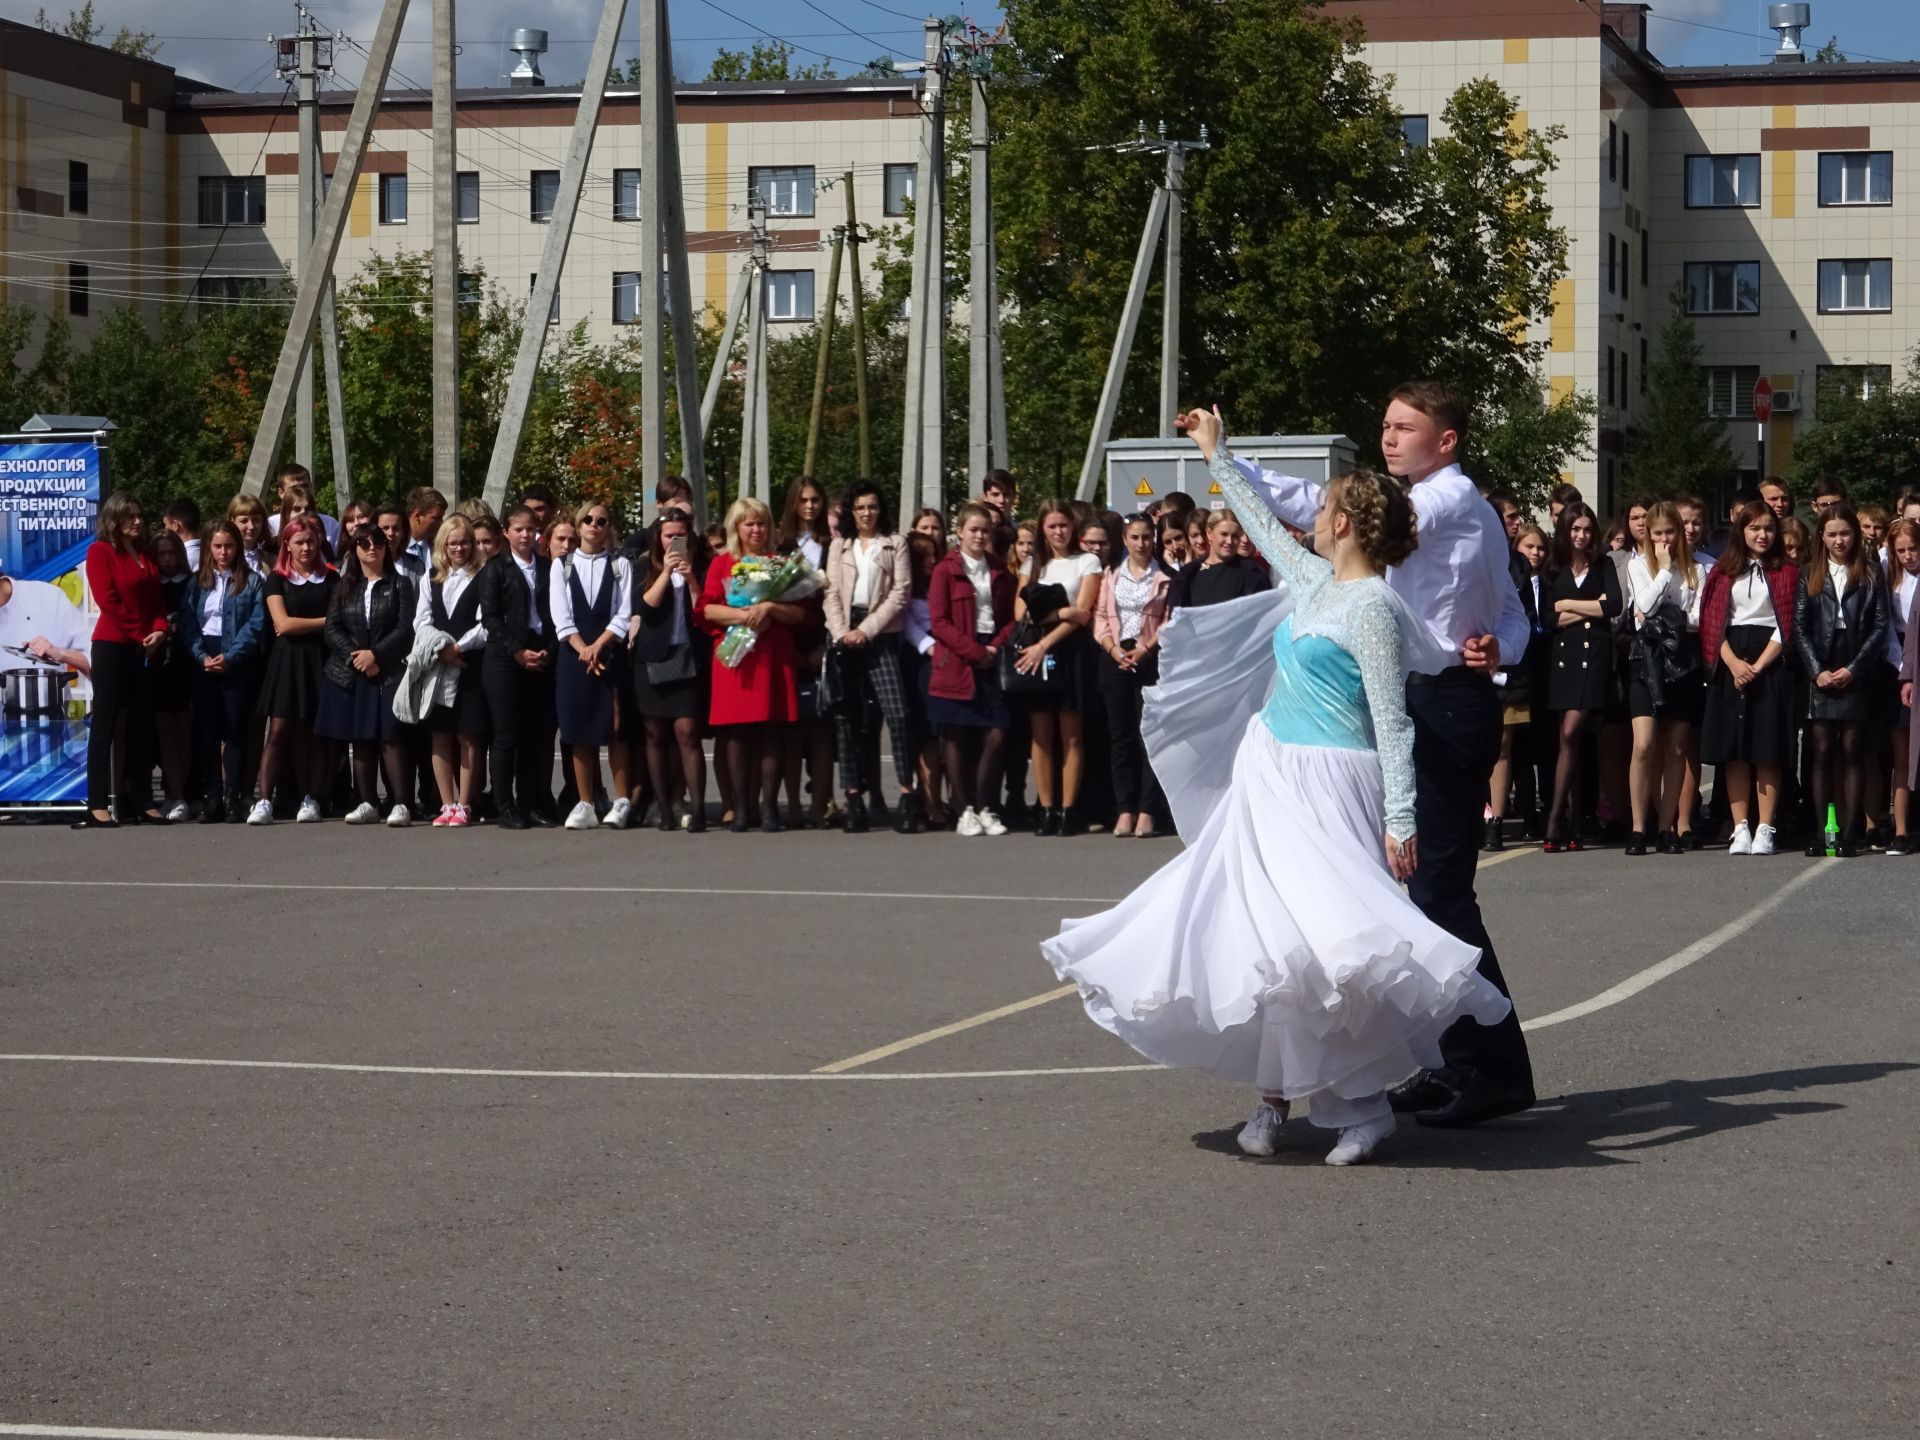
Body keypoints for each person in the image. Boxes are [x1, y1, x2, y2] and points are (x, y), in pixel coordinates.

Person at [1046, 423, 1512, 1166]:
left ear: (1346, 523)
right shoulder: (1314, 581)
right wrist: (1214, 455)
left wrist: (1400, 820)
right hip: (1270, 778)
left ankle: (1360, 1107)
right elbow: (1262, 520)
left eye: (1324, 510)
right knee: (1259, 941)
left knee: (1322, 951)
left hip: (1333, 784)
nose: (1313, 519)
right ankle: (1269, 1101)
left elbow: (1392, 723)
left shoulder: (1374, 609)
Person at [1196, 385, 1533, 1129]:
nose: (1388, 436)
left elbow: (1359, 515)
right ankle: (1449, 1062)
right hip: (1430, 693)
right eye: (1384, 423)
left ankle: (1495, 1070)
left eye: (1404, 427)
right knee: (1403, 900)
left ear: (1445, 442)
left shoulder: (1446, 501)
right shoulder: (1462, 515)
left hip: (1443, 706)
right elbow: (1511, 609)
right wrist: (1499, 645)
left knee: (1438, 895)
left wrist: (1237, 465)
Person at [700, 498, 809, 833]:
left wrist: (771, 608)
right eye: (749, 523)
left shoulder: (781, 564)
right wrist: (744, 614)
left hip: (772, 658)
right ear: (737, 528)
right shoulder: (722, 565)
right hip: (735, 658)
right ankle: (741, 808)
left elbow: (802, 614)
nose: (756, 529)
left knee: (771, 732)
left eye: (761, 523)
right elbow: (706, 610)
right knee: (736, 733)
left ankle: (769, 809)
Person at [1699, 502, 1797, 856]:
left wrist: (1758, 664)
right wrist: (1734, 664)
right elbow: (1713, 623)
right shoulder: (1724, 571)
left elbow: (1788, 623)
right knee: (1736, 750)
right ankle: (1740, 826)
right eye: (1754, 527)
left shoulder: (1788, 571)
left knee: (1766, 748)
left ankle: (1766, 827)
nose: (1762, 534)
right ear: (1740, 530)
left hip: (1770, 661)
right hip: (1732, 661)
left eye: (1769, 528)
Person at [1794, 503, 1888, 856]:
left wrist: (1855, 669)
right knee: (1820, 751)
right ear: (1821, 536)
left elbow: (1879, 626)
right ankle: (1821, 833)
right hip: (1821, 665)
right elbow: (1800, 627)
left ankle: (1850, 834)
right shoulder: (1809, 573)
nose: (1839, 541)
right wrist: (1816, 670)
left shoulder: (1870, 572)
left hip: (1855, 665)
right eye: (1831, 534)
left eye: (1845, 533)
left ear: (1856, 534)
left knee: (1852, 750)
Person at [824, 481, 918, 834]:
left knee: (898, 714)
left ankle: (907, 795)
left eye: (873, 507)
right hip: (845, 636)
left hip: (880, 635)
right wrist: (841, 632)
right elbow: (831, 592)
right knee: (846, 718)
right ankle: (853, 799)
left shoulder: (895, 544)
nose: (867, 513)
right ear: (851, 511)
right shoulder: (839, 546)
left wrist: (868, 629)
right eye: (860, 507)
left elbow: (901, 592)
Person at [75, 492, 169, 828]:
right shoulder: (100, 551)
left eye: (140, 515)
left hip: (144, 648)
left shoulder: (144, 554)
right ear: (114, 520)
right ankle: (98, 803)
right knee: (105, 724)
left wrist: (159, 631)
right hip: (113, 645)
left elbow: (157, 602)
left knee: (142, 724)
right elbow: (108, 601)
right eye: (130, 516)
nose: (138, 521)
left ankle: (143, 799)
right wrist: (141, 635)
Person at [316, 523, 417, 827]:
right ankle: (367, 802)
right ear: (355, 548)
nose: (371, 548)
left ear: (387, 549)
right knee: (360, 737)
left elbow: (405, 627)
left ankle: (401, 803)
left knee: (390, 736)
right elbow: (332, 628)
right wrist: (357, 657)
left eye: (378, 543)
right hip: (353, 670)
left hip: (388, 670)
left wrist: (377, 655)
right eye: (364, 543)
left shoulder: (399, 585)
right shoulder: (344, 586)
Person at [1012, 498, 1102, 836]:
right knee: (1041, 735)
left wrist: (1045, 640)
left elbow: (1085, 613)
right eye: (1052, 526)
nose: (1059, 531)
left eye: (1063, 525)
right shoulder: (1033, 565)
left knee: (1072, 735)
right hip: (1035, 653)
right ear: (1043, 529)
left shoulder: (1088, 561)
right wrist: (1062, 612)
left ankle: (1068, 810)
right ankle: (1046, 808)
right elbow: (1020, 614)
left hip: (1070, 652)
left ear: (1073, 526)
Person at [928, 502, 1016, 837]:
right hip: (957, 658)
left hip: (991, 652)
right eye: (973, 530)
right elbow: (939, 621)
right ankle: (963, 809)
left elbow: (1010, 618)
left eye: (984, 530)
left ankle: (984, 806)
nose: (979, 536)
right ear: (960, 532)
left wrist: (994, 646)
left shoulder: (997, 568)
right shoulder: (945, 570)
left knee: (996, 733)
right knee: (957, 736)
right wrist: (974, 651)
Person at [1541, 503, 1623, 851]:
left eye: (1588, 529)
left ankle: (1555, 821)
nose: (1581, 535)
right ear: (1565, 530)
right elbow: (1547, 619)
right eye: (1575, 528)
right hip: (1563, 660)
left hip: (1595, 657)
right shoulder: (1553, 568)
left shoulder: (1603, 564)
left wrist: (1567, 605)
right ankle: (1574, 824)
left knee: (1571, 732)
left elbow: (1614, 606)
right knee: (1570, 741)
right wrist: (1587, 604)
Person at [1625, 501, 1706, 855]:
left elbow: (1697, 618)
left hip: (1683, 660)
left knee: (1675, 747)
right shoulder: (1636, 564)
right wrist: (1663, 571)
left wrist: (1662, 616)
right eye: (1656, 534)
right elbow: (1642, 603)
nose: (1663, 540)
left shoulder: (1697, 568)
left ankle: (1666, 827)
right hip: (1647, 659)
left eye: (1669, 532)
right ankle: (1638, 826)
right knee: (1643, 744)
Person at [249, 514, 337, 825]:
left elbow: (335, 624)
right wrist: (323, 623)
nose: (306, 547)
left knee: (311, 734)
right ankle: (263, 800)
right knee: (278, 731)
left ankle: (310, 797)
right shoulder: (277, 579)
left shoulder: (331, 578)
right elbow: (283, 623)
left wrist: (314, 626)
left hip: (319, 661)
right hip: (287, 662)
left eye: (311, 541)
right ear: (287, 544)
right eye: (299, 542)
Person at [551, 501, 635, 831]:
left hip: (610, 655)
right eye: (588, 519)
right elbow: (561, 615)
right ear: (578, 524)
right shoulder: (562, 566)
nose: (594, 525)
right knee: (578, 730)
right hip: (575, 658)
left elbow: (624, 613)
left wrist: (599, 645)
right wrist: (582, 648)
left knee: (615, 730)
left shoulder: (620, 565)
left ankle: (622, 799)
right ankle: (585, 802)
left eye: (601, 521)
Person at [176, 519, 264, 824]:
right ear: (209, 549)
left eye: (228, 545)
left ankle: (233, 797)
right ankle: (212, 796)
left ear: (237, 547)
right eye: (217, 546)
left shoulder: (252, 582)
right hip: (204, 657)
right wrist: (201, 656)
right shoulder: (196, 582)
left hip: (234, 658)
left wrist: (232, 656)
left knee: (235, 730)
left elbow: (256, 625)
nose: (223, 552)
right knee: (206, 731)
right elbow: (187, 623)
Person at [630, 507, 711, 832]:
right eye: (668, 536)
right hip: (652, 658)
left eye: (681, 536)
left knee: (688, 732)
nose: (675, 541)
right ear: (658, 539)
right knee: (655, 734)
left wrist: (690, 577)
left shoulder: (701, 566)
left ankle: (699, 808)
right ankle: (663, 809)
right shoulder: (643, 566)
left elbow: (704, 611)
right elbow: (644, 609)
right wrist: (666, 573)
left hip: (688, 656)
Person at [478, 505, 557, 829]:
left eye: (530, 529)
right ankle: (504, 804)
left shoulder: (549, 567)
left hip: (539, 654)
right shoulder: (495, 569)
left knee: (534, 735)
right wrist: (517, 651)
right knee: (506, 734)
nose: (526, 535)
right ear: (505, 533)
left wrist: (548, 649)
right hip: (505, 659)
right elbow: (491, 618)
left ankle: (531, 802)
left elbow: (555, 615)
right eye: (519, 529)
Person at [1094, 513, 1170, 839]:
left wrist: (1146, 648)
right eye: (1135, 538)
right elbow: (1100, 616)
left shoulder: (1165, 576)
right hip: (1116, 658)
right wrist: (1113, 649)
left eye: (1147, 538)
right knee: (1120, 736)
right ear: (1125, 540)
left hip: (1150, 658)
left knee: (1148, 737)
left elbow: (1171, 619)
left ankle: (1147, 809)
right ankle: (1124, 808)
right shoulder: (1112, 576)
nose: (1142, 544)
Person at [417, 515, 491, 826]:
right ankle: (446, 804)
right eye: (452, 542)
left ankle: (464, 804)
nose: (458, 548)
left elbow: (486, 623)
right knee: (440, 735)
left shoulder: (484, 575)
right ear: (443, 545)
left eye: (464, 542)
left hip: (471, 664)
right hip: (438, 666)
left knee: (468, 736)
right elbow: (421, 621)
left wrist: (458, 648)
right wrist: (441, 650)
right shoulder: (430, 577)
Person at [1487, 522, 1550, 850]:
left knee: (1502, 746)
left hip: (1507, 668)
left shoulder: (1517, 568)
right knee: (1474, 748)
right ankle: (1480, 814)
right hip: (1463, 666)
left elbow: (1521, 619)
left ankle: (1495, 821)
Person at [900, 529, 951, 828]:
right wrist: (930, 647)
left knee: (938, 735)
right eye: (925, 556)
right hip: (917, 661)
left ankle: (938, 800)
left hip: (943, 656)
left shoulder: (938, 583)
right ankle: (927, 803)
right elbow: (906, 622)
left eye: (934, 554)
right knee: (923, 734)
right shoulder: (906, 588)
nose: (932, 561)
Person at [149, 529, 197, 821]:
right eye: (161, 554)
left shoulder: (192, 583)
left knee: (186, 732)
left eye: (172, 553)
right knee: (165, 733)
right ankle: (174, 794)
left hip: (187, 660)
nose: (167, 559)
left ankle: (188, 793)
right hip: (158, 663)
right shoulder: (151, 584)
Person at [1882, 518, 1920, 855]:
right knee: (1902, 754)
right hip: (1900, 662)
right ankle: (1902, 829)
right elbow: (1889, 629)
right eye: (1901, 550)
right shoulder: (1890, 579)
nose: (1908, 556)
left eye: (1913, 549)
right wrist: (1902, 669)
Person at [1170, 510, 1269, 611]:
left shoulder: (1252, 573)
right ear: (1209, 533)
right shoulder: (1188, 575)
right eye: (1224, 534)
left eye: (1235, 536)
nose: (1229, 541)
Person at [269, 463, 343, 553]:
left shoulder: (330, 525)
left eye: (305, 486)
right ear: (281, 493)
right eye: (294, 488)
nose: (301, 491)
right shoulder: (271, 526)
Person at [403, 487, 448, 576]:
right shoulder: (395, 547)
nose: (441, 523)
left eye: (441, 518)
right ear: (417, 516)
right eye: (436, 518)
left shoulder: (440, 547)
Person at [227, 493, 274, 573]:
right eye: (244, 521)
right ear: (233, 522)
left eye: (256, 520)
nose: (251, 526)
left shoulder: (271, 560)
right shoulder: (224, 557)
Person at [163, 497, 203, 571]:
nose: (165, 529)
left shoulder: (182, 558)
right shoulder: (209, 551)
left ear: (175, 525)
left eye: (165, 524)